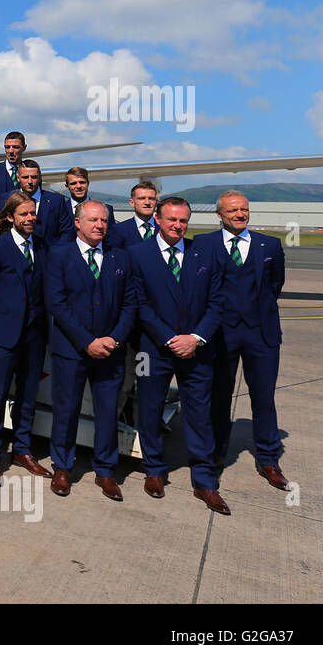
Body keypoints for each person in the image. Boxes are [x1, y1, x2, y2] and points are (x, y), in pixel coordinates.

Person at [127, 196, 230, 513]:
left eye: (183, 220)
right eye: (171, 219)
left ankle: (204, 481)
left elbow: (217, 302)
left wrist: (195, 338)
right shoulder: (138, 255)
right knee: (150, 410)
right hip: (154, 349)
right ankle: (154, 471)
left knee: (199, 415)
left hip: (196, 349)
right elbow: (139, 304)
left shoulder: (204, 254)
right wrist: (170, 338)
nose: (177, 225)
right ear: (157, 219)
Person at [195, 192, 289, 490]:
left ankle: (268, 458)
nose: (240, 214)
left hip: (260, 333)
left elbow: (275, 284)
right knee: (218, 396)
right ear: (219, 214)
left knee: (263, 398)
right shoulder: (203, 244)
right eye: (233, 210)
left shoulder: (270, 244)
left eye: (244, 209)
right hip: (220, 334)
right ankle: (217, 451)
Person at [45, 200, 135, 500]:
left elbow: (130, 303)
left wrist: (115, 338)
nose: (100, 225)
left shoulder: (120, 257)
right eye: (93, 220)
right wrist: (87, 341)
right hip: (71, 350)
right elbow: (57, 303)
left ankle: (106, 471)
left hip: (110, 351)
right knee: (66, 410)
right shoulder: (59, 255)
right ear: (77, 223)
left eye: (104, 221)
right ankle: (62, 467)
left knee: (108, 412)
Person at [0, 191, 53, 485]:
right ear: (10, 217)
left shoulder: (42, 244)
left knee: (28, 394)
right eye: (24, 214)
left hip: (34, 334)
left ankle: (22, 450)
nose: (30, 218)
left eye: (32, 213)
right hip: (4, 332)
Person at [16, 159, 74, 245]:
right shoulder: (6, 200)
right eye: (25, 177)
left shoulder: (56, 201)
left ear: (40, 177)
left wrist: (56, 252)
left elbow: (67, 232)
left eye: (34, 177)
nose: (30, 181)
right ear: (18, 178)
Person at [0, 131, 28, 221]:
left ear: (24, 148)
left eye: (15, 147)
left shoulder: (31, 173)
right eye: (7, 147)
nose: (11, 151)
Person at [106, 181, 159, 250]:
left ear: (156, 202)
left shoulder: (165, 228)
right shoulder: (118, 230)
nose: (147, 202)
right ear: (132, 203)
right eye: (142, 198)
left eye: (151, 198)